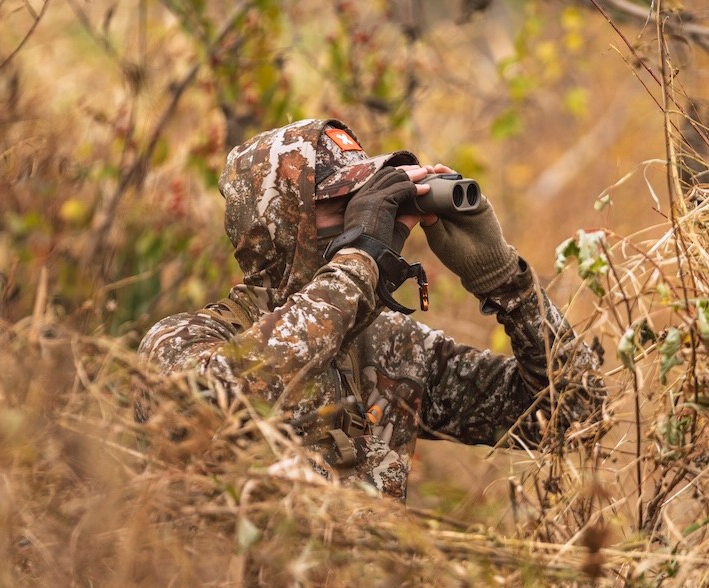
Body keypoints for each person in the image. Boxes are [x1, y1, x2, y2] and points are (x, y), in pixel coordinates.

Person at [137, 119, 604, 501]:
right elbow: (225, 400)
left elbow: (573, 413)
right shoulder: (180, 342)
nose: (366, 219)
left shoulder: (390, 348)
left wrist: (504, 280)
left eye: (371, 202)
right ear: (278, 224)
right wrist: (360, 257)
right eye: (343, 204)